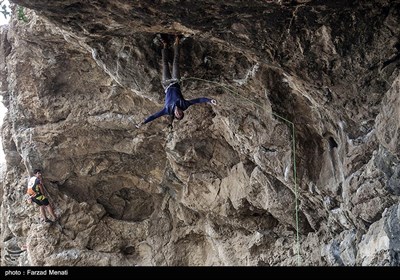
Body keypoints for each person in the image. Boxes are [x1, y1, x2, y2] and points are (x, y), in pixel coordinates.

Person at [136, 34, 217, 129]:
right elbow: (198, 100)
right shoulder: (184, 105)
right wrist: (210, 100)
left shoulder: (167, 110)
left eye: (177, 114)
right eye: (180, 113)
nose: (178, 112)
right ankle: (177, 41)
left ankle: (165, 44)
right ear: (182, 111)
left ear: (175, 114)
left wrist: (144, 122)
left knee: (165, 64)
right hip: (175, 82)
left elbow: (154, 116)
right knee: (175, 62)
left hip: (166, 85)